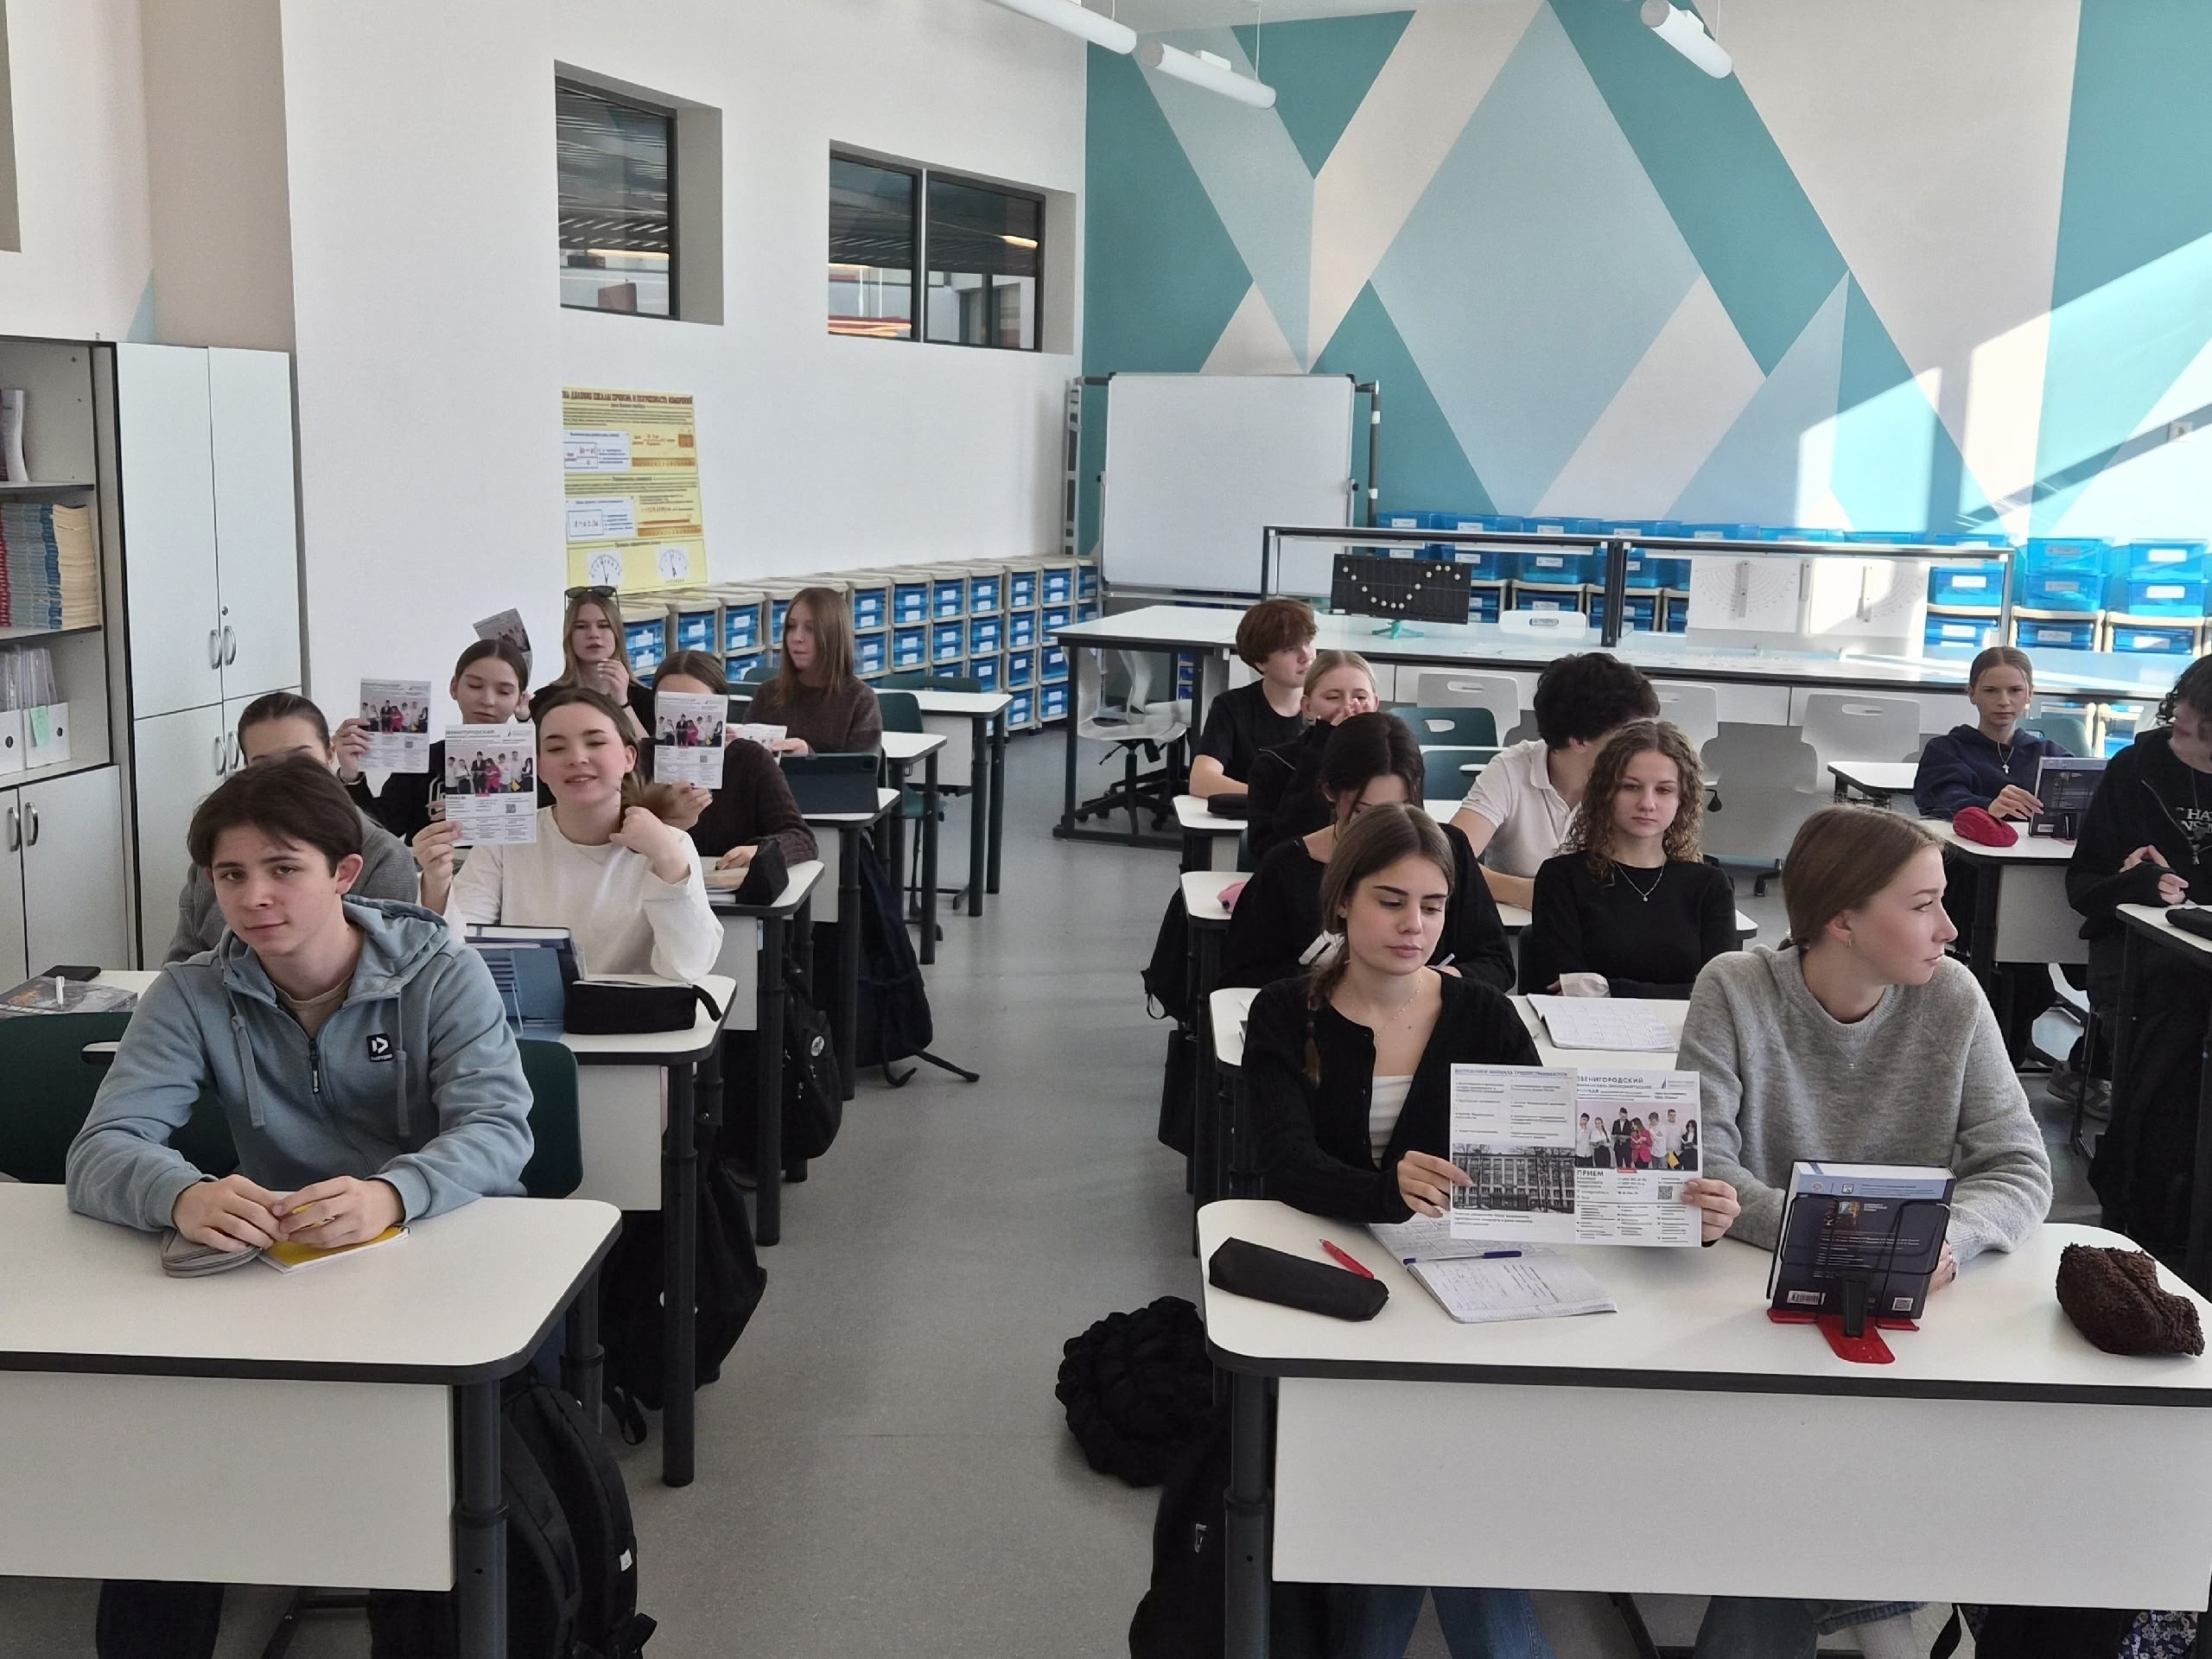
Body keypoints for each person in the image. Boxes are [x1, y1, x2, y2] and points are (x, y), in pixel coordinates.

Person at [1243, 803, 1738, 1659]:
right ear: (1342, 901)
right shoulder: (1288, 1011)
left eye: (1432, 906)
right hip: (1340, 1283)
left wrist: (1676, 1212)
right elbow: (1284, 1163)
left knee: (1436, 1483)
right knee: (1440, 1490)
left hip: (1467, 1287)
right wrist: (1383, 1189)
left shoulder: (1483, 1014)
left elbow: (1553, 1169)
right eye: (1390, 901)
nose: (1413, 924)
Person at [68, 756, 533, 1659]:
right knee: (161, 1458)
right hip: (281, 1281)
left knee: (443, 1481)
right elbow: (104, 1146)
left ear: (345, 872)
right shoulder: (195, 992)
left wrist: (394, 1192)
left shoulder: (441, 971)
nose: (255, 897)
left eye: (283, 869)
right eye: (231, 874)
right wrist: (181, 1193)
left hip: (441, 1270)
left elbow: (499, 1130)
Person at [1679, 805, 2051, 1659]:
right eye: (1923, 905)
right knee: (1826, 1463)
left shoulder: (1950, 995)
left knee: (1829, 1468)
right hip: (1753, 1314)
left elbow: (2020, 1167)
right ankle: (1893, 1636)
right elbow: (1708, 1173)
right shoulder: (1734, 988)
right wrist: (1868, 1237)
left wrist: (1945, 1239)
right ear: (1842, 920)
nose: (1949, 929)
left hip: (1912, 1316)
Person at [417, 686, 721, 982]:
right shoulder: (505, 841)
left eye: (595, 743)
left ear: (629, 757)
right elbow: (458, 955)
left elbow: (688, 966)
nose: (577, 758)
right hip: (526, 1011)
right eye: (556, 748)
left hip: (633, 1011)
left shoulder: (671, 844)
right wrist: (437, 885)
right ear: (539, 768)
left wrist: (668, 858)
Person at [2068, 654, 2212, 1248]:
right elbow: (2083, 887)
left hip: (2195, 962)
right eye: (2184, 727)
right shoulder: (2135, 770)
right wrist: (2134, 883)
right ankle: (2153, 1206)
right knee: (2176, 1037)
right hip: (2140, 959)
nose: (2188, 743)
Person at [1221, 712, 1511, 993]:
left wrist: (1438, 982)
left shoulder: (1450, 850)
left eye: (1403, 808)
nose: (1384, 828)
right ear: (1330, 792)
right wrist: (1350, 985)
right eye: (1365, 813)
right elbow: (1241, 976)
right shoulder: (1286, 867)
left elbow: (1496, 963)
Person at [168, 693, 417, 963]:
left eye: (301, 760)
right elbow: (180, 965)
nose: (284, 777)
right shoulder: (222, 846)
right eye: (264, 765)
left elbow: (385, 968)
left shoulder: (383, 855)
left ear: (329, 754)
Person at [1518, 721, 1737, 998]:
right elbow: (1567, 989)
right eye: (1631, 787)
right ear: (1606, 792)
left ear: (1682, 799)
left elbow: (1720, 992)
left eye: (1664, 790)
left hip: (1684, 1026)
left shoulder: (1710, 885)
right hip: (1588, 1024)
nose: (1647, 803)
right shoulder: (1561, 878)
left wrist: (1610, 989)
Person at [1450, 652, 1660, 909]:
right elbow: (1448, 861)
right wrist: (1534, 892)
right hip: (1516, 924)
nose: (1642, 747)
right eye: (1630, 737)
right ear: (1579, 740)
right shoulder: (1511, 769)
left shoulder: (1641, 783)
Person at [652, 650, 818, 874]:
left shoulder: (750, 760)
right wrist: (669, 823)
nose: (686, 717)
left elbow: (801, 838)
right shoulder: (636, 760)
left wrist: (758, 851)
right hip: (657, 886)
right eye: (671, 705)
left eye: (698, 706)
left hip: (732, 884)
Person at [1245, 650, 1382, 864]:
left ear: (1375, 704)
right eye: (1333, 697)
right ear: (1307, 707)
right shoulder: (1273, 764)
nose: (1348, 707)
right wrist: (1324, 743)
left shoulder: (1393, 759)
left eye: (1360, 697)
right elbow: (1270, 850)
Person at [1913, 645, 2071, 821]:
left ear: (2029, 694)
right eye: (1991, 691)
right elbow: (1942, 799)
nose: (2003, 701)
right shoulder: (1946, 751)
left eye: (2015, 690)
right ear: (1972, 694)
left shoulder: (2051, 755)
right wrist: (1987, 807)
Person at [1187, 596, 1317, 798]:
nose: (1306, 656)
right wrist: (1272, 797)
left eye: (1308, 643)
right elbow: (1201, 780)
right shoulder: (1232, 707)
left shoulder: (1328, 704)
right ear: (1260, 662)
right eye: (1290, 649)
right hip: (1249, 815)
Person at [747, 586, 883, 755]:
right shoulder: (767, 694)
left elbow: (860, 770)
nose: (797, 637)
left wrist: (808, 758)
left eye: (810, 629)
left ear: (834, 636)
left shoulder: (860, 700)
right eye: (791, 626)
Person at [532, 584, 655, 746]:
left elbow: (649, 757)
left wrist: (622, 702)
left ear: (617, 634)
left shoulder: (645, 699)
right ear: (569, 636)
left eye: (603, 625)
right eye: (581, 627)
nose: (593, 634)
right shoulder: (545, 700)